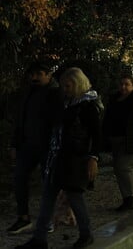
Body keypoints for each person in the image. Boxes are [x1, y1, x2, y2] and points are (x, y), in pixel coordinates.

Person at [16, 67, 102, 249]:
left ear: (77, 84)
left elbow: (97, 134)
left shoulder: (87, 106)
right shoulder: (66, 103)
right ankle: (40, 239)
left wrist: (93, 158)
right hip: (58, 157)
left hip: (74, 160)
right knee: (48, 197)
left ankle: (86, 234)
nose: (65, 88)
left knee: (74, 198)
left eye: (68, 85)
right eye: (63, 85)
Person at [7, 61, 61, 235]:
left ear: (48, 74)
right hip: (27, 144)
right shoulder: (29, 93)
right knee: (20, 178)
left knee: (48, 183)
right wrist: (15, 143)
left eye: (39, 74)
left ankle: (47, 219)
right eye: (32, 74)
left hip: (47, 146)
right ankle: (23, 217)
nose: (34, 77)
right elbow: (20, 120)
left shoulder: (55, 94)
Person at [102, 74, 133, 211]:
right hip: (114, 138)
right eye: (121, 84)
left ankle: (129, 198)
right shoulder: (114, 99)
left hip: (129, 139)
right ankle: (128, 198)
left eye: (127, 84)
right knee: (118, 168)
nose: (123, 87)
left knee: (120, 167)